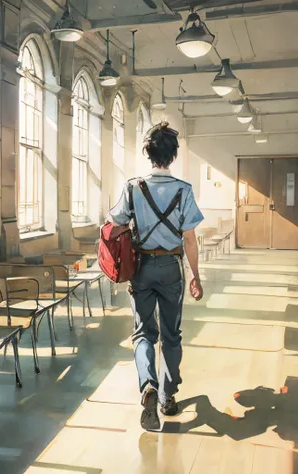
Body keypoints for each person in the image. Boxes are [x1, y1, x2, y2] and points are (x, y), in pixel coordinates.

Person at [107, 121, 204, 431]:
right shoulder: (184, 190)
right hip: (171, 270)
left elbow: (114, 222)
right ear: (172, 156)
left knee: (143, 333)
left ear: (148, 154)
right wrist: (196, 276)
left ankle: (147, 385)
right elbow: (189, 239)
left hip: (142, 269)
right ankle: (167, 396)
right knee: (171, 336)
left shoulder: (132, 187)